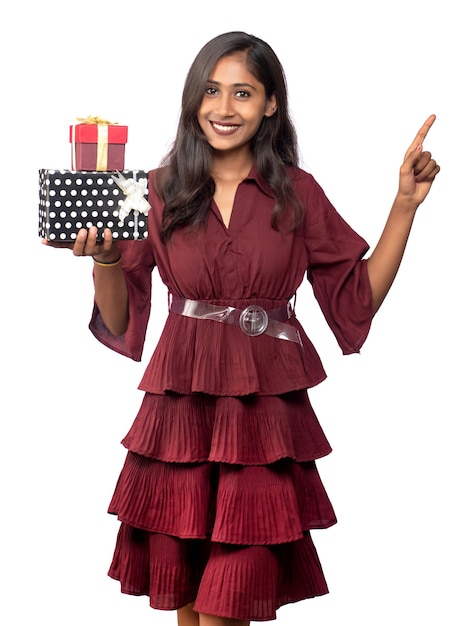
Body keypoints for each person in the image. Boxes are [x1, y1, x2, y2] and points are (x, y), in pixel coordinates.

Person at [43, 31, 440, 626]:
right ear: (191, 99)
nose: (224, 109)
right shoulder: (151, 188)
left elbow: (355, 298)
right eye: (211, 91)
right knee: (189, 609)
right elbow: (121, 317)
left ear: (271, 104)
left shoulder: (298, 192)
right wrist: (102, 260)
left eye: (243, 93)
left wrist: (404, 206)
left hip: (263, 422)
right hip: (179, 418)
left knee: (227, 606)